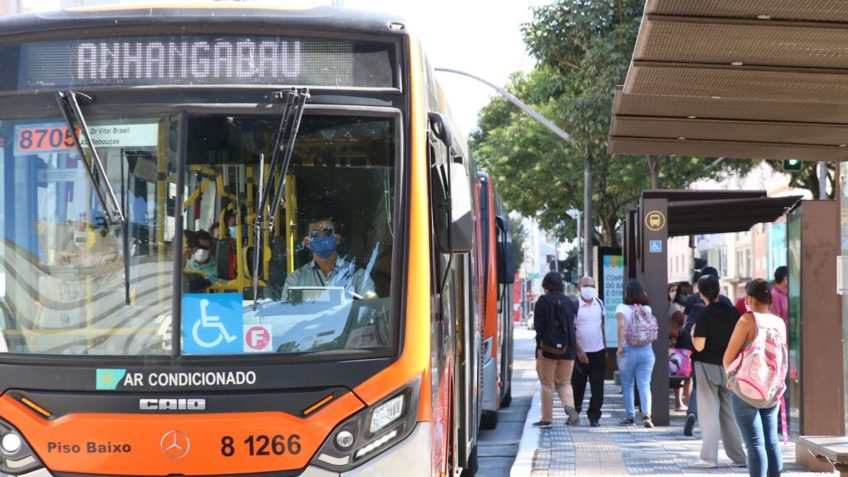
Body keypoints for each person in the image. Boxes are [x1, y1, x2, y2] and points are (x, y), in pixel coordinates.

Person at [724, 279, 787, 477]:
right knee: (771, 441)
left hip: (746, 388)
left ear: (749, 298)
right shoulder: (778, 322)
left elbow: (728, 356)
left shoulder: (747, 320)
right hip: (771, 389)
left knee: (754, 443)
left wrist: (730, 378)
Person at [689, 274, 746, 469]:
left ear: (701, 293)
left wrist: (691, 333)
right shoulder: (732, 312)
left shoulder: (703, 315)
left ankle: (708, 458)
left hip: (706, 365)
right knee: (729, 413)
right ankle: (739, 457)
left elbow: (699, 346)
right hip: (729, 367)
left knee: (708, 412)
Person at [679, 266, 733, 436]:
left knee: (701, 391)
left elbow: (686, 326)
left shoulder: (693, 302)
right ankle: (734, 446)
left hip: (702, 357)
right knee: (727, 400)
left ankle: (693, 413)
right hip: (725, 358)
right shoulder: (728, 305)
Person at [282, 216, 376, 300]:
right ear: (307, 243)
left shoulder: (357, 275)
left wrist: (368, 299)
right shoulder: (296, 279)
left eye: (327, 232)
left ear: (337, 239)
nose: (322, 236)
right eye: (315, 233)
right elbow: (285, 313)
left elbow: (371, 302)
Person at [532, 272, 579, 429]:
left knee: (547, 384)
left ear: (546, 287)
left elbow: (539, 328)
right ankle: (570, 408)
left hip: (548, 351)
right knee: (565, 383)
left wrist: (539, 348)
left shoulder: (543, 302)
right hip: (569, 350)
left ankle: (546, 418)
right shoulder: (570, 302)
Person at [615, 280, 656, 428]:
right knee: (644, 384)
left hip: (628, 351)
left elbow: (620, 325)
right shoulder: (647, 309)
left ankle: (630, 416)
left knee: (627, 384)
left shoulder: (622, 308)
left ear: (627, 294)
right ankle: (646, 414)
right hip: (647, 351)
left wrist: (619, 346)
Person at [571, 276, 606, 427]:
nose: (589, 288)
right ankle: (575, 412)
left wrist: (604, 346)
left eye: (592, 285)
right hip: (580, 353)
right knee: (577, 386)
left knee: (597, 387)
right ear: (579, 287)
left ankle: (594, 416)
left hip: (598, 351)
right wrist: (578, 351)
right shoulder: (575, 305)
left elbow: (601, 326)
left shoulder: (599, 303)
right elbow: (571, 331)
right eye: (586, 285)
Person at [668, 281, 692, 411]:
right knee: (678, 374)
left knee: (687, 374)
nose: (687, 296)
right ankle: (679, 401)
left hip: (685, 344)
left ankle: (685, 400)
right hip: (677, 344)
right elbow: (682, 320)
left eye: (689, 293)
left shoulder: (683, 307)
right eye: (684, 293)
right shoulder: (675, 307)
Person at [769, 266, 789, 330]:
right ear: (785, 279)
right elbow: (775, 321)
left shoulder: (785, 294)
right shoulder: (774, 295)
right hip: (781, 337)